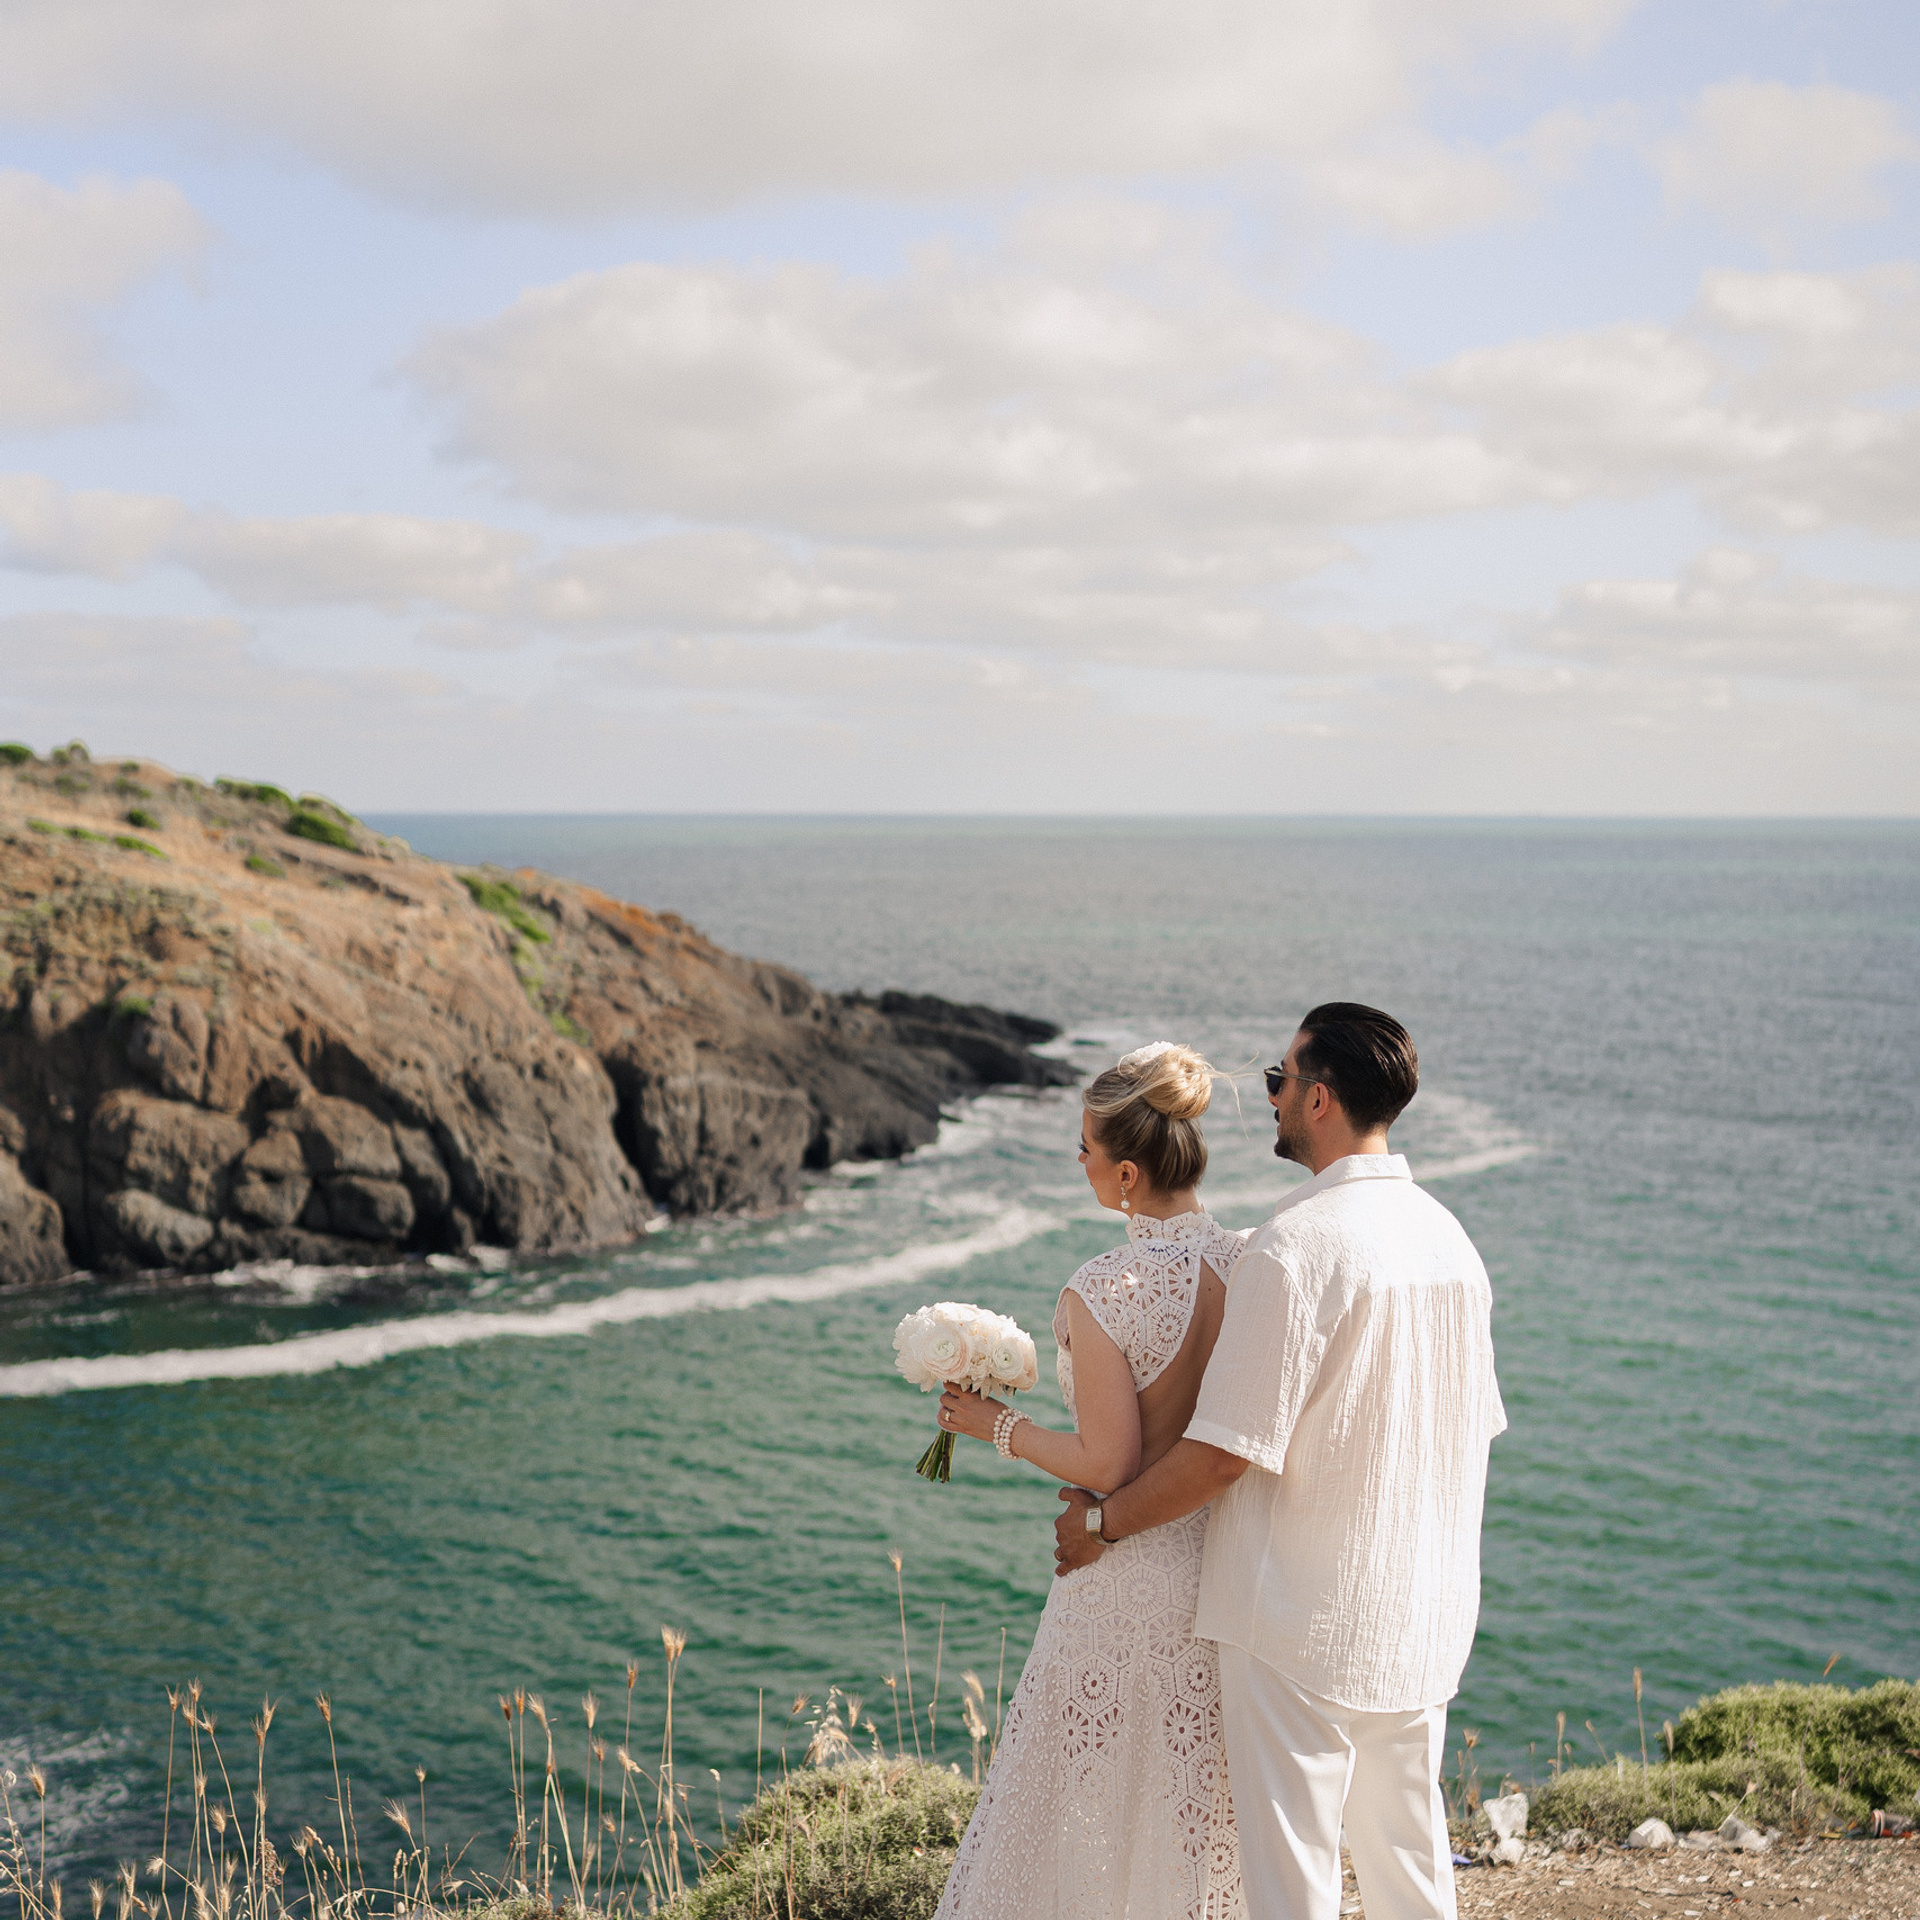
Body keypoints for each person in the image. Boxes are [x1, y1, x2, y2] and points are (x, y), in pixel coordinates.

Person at [1053, 1004, 1507, 1920]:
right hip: (1422, 1617)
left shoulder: (1296, 1250)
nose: (1269, 1100)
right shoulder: (1451, 1242)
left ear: (1322, 1100)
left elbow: (1223, 1457)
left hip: (1298, 1626)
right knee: (1411, 1872)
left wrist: (1101, 1524)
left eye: (1280, 1081)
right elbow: (1473, 1427)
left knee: (1289, 1891)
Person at [932, 1040, 1247, 1920]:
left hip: (1119, 1578)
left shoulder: (1106, 1288)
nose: (1078, 1164)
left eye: (1084, 1149)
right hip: (1214, 1574)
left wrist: (993, 1425)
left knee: (1087, 1811)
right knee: (1185, 1811)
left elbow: (1107, 1463)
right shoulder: (1249, 1261)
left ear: (1128, 1174)